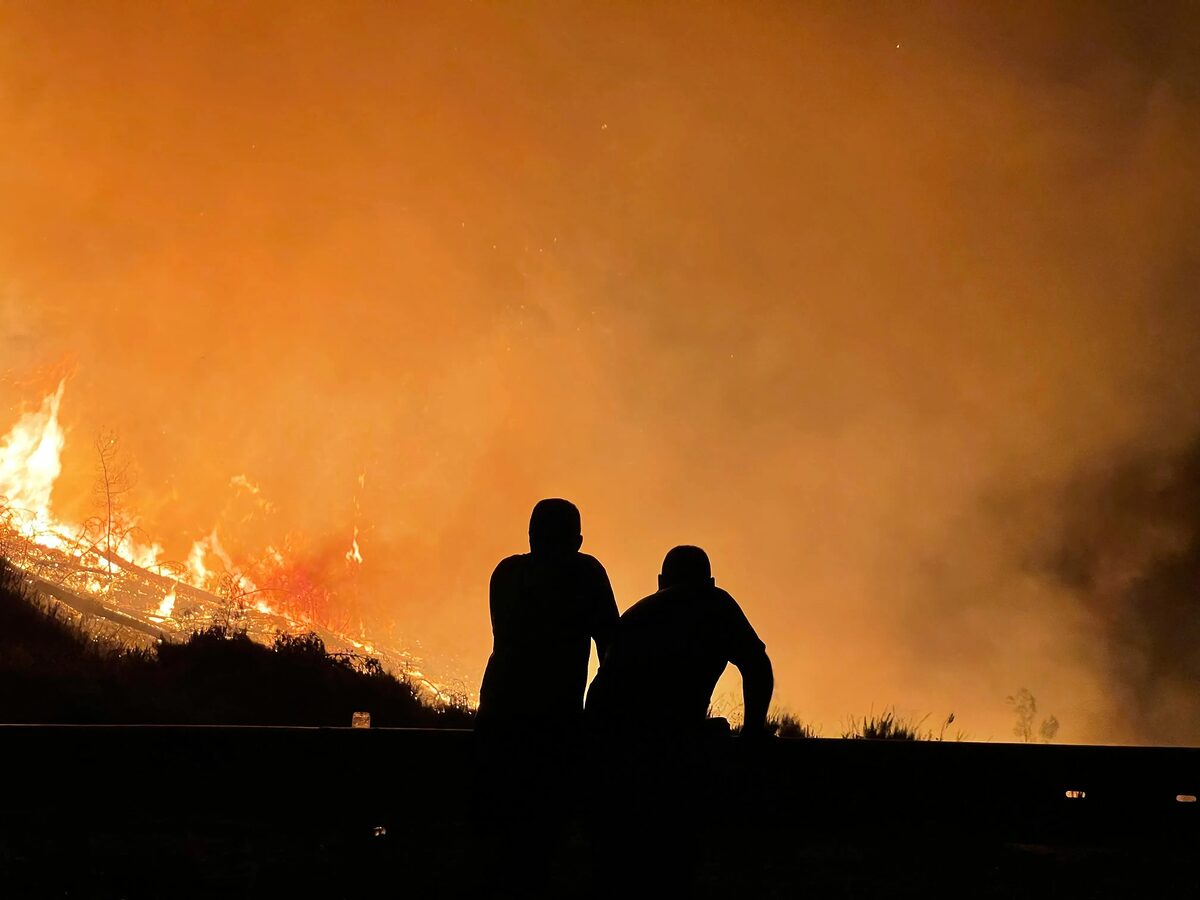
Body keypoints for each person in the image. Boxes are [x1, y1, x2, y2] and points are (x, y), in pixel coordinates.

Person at [586, 544, 773, 734]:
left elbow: (604, 688)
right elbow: (757, 666)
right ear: (711, 581)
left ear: (660, 581)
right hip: (645, 729)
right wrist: (753, 730)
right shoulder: (716, 604)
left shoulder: (637, 613)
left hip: (607, 724)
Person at [476, 497, 619, 731]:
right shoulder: (586, 574)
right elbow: (611, 647)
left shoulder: (507, 572)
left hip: (498, 714)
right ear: (578, 542)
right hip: (557, 718)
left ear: (531, 536)